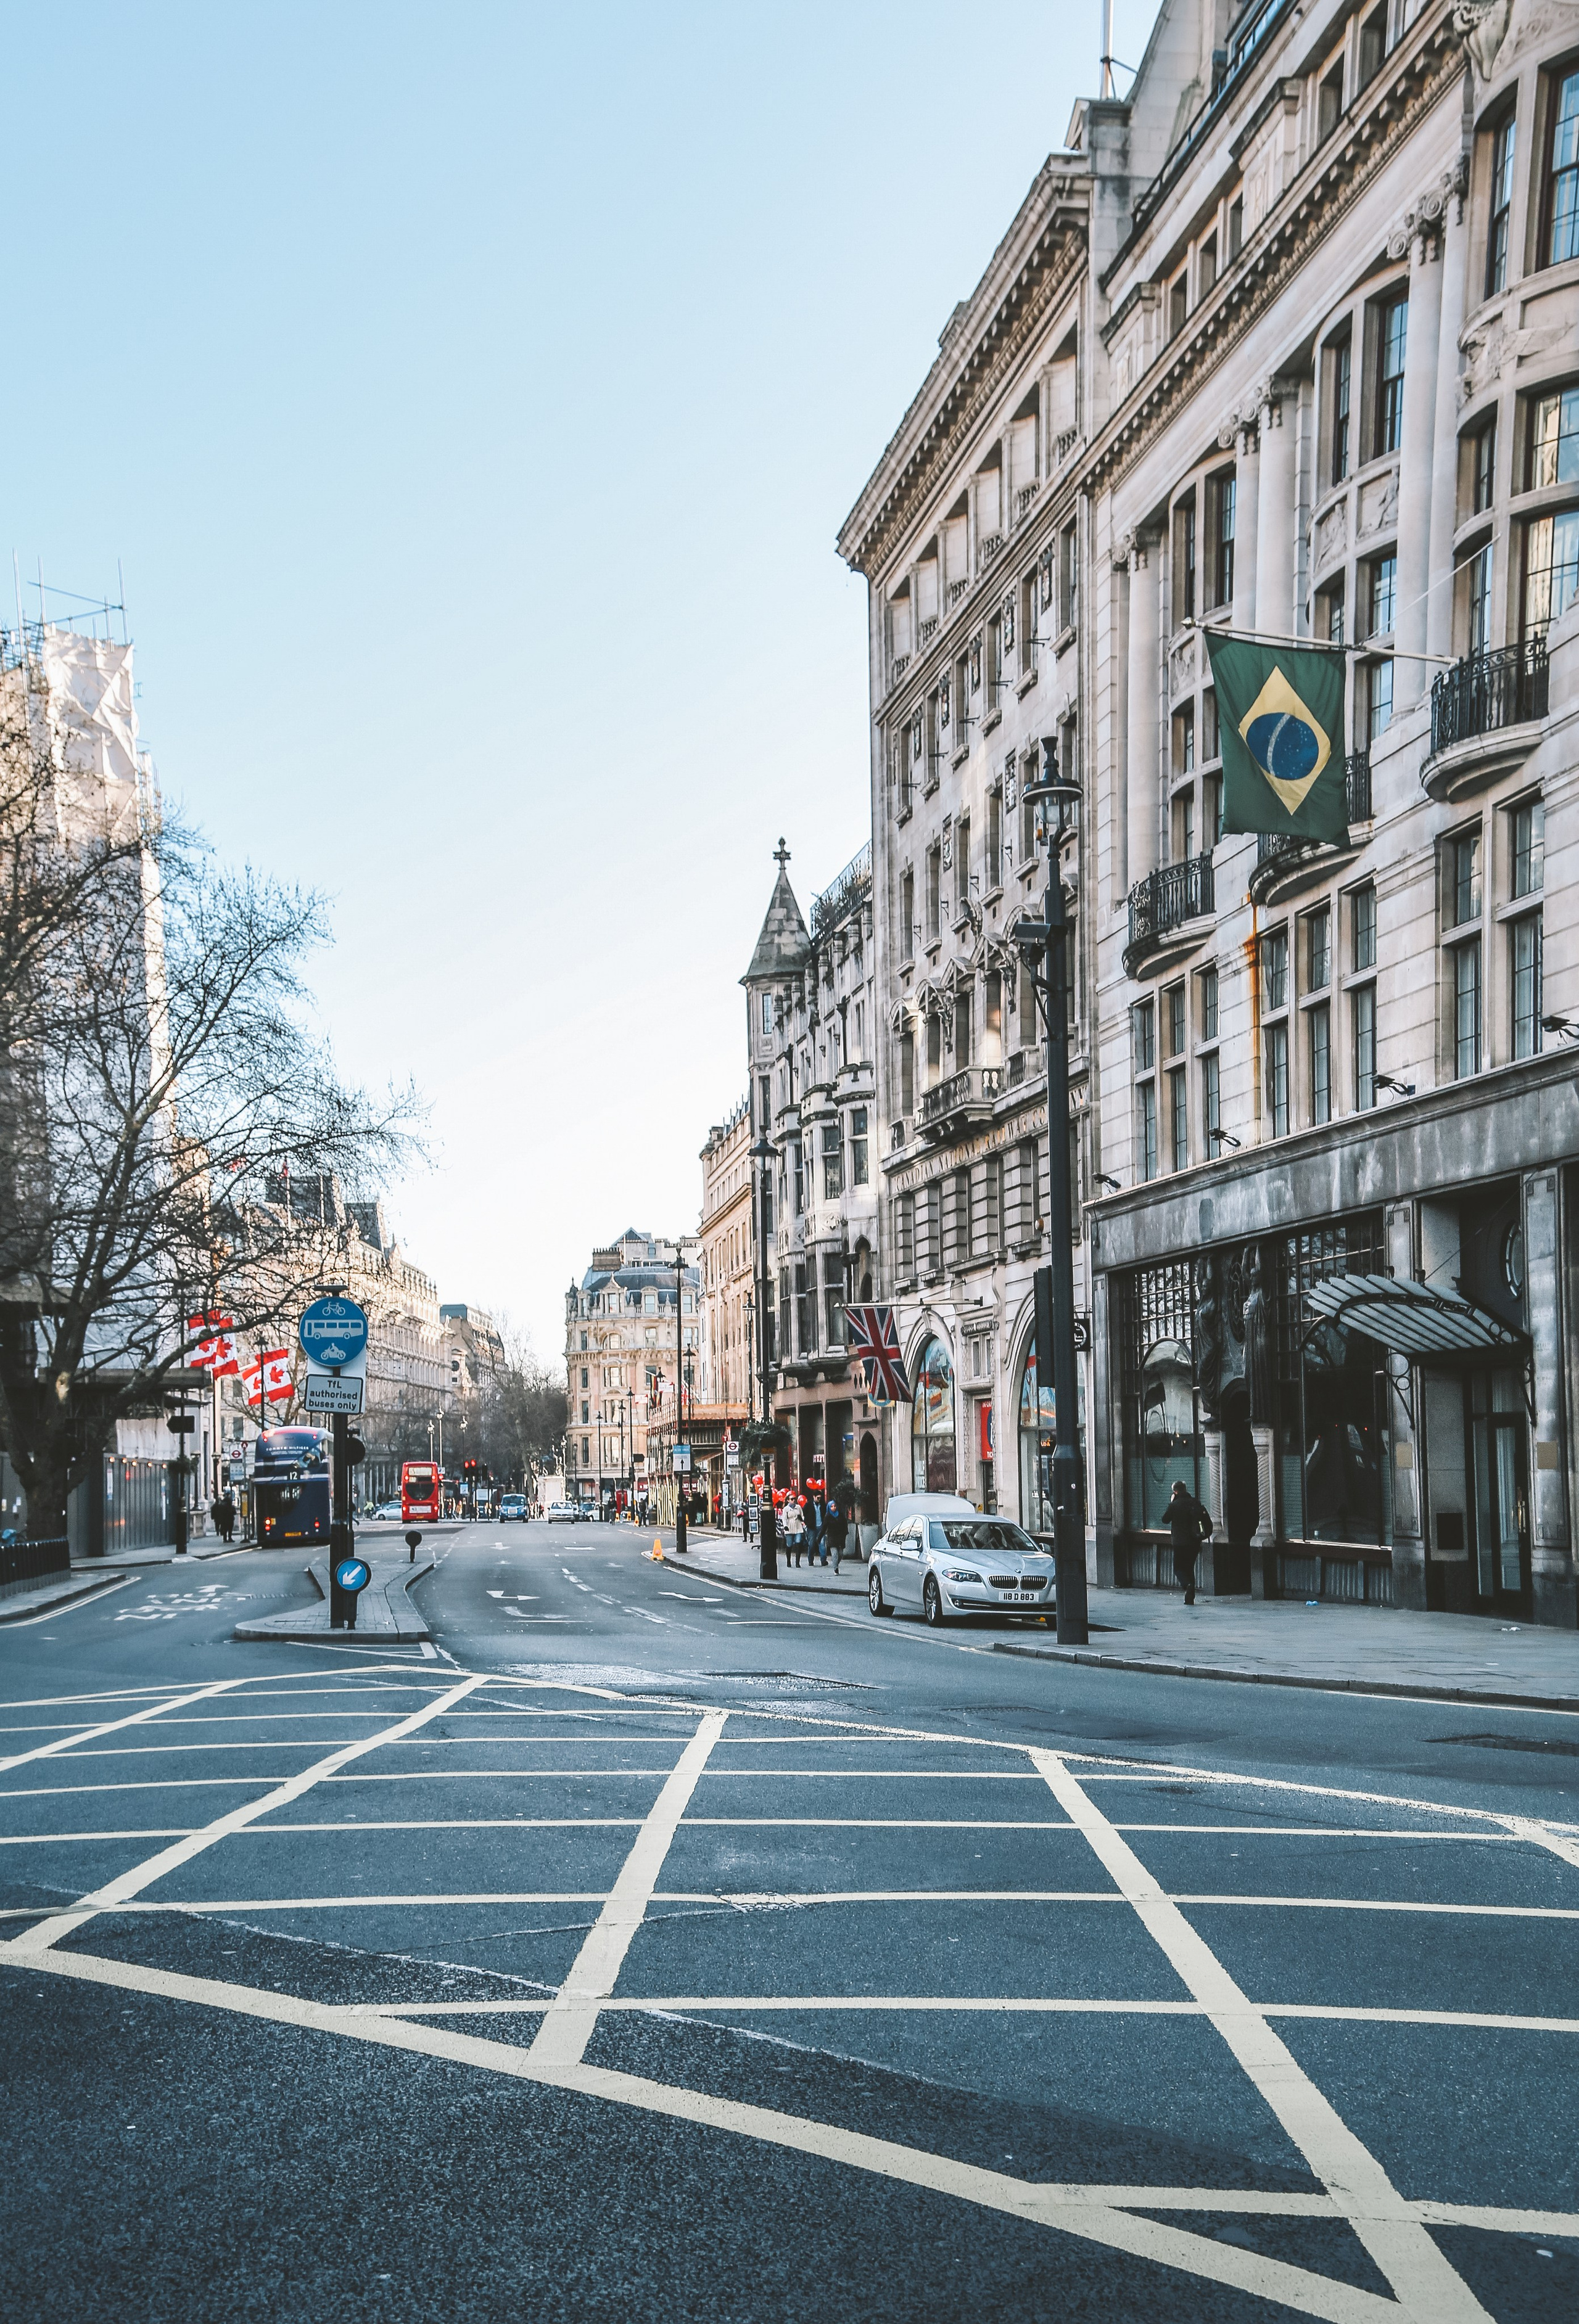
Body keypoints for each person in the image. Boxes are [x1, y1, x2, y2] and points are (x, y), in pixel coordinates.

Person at [1168, 1478, 1213, 1605]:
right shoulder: (1195, 1502)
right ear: (1185, 1490)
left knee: (1178, 1568)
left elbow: (1165, 1519)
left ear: (1175, 1492)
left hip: (1179, 1542)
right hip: (1194, 1541)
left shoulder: (1174, 1505)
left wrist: (1172, 1503)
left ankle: (1187, 1585)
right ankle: (1190, 1597)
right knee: (1189, 1568)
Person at [781, 1495, 806, 1567]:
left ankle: (797, 1562)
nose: (793, 1501)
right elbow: (784, 1519)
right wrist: (785, 1526)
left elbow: (803, 1516)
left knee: (798, 1544)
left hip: (798, 1527)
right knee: (789, 1545)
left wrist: (801, 1519)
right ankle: (789, 1561)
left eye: (794, 1499)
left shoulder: (798, 1507)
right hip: (790, 1527)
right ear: (788, 1500)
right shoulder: (786, 1509)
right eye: (792, 1499)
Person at [827, 1497, 847, 1571]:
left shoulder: (841, 1515)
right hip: (832, 1537)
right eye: (831, 1507)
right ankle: (836, 1568)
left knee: (841, 1554)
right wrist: (819, 1538)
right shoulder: (828, 1516)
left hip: (840, 1537)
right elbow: (824, 1527)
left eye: (835, 1506)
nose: (833, 1508)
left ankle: (836, 1564)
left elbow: (845, 1524)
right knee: (835, 1553)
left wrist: (845, 1533)